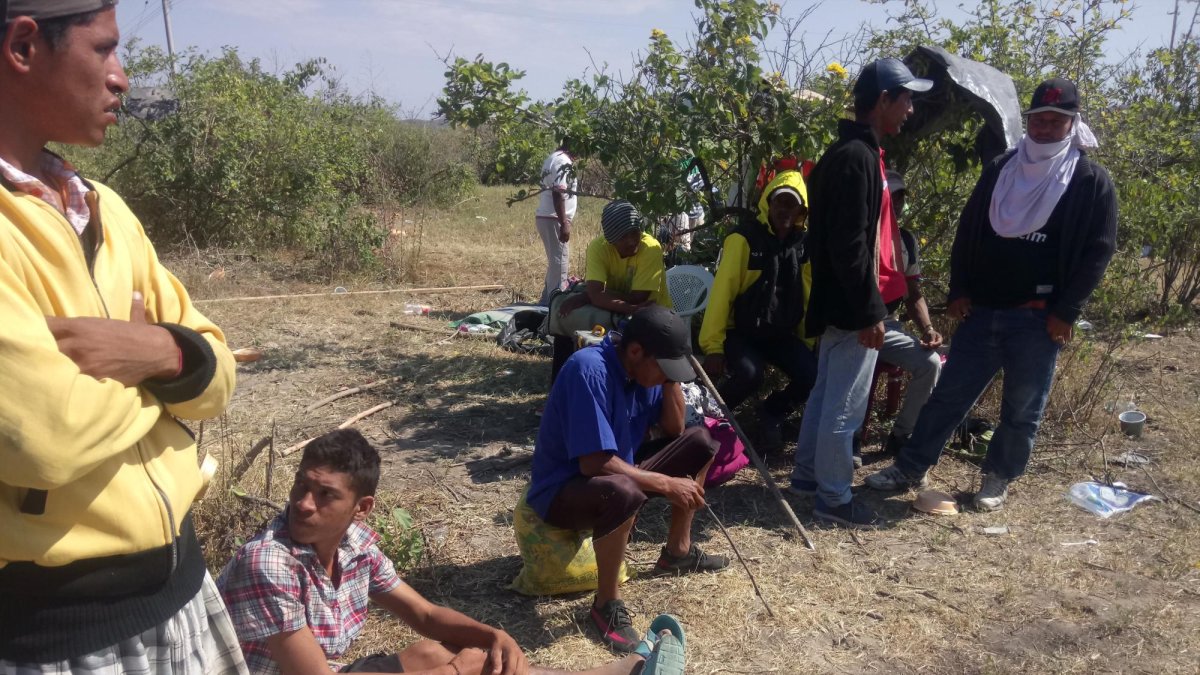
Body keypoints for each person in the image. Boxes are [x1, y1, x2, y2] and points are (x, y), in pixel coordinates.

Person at [0, 1, 242, 671]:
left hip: (183, 590)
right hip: (61, 634)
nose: (122, 77)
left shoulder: (106, 207)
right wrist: (168, 381)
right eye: (104, 49)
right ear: (24, 47)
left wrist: (160, 350)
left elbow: (220, 374)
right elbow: (43, 439)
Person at [218, 430, 684, 675]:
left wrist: (494, 635)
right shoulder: (270, 563)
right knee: (463, 666)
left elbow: (424, 614)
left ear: (362, 508)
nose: (303, 503)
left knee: (437, 651)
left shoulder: (354, 546)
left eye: (325, 495)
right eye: (302, 486)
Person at [864, 77, 1117, 511]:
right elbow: (970, 230)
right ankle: (910, 467)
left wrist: (1067, 311)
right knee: (948, 397)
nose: (1045, 128)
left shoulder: (1089, 181)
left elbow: (1099, 251)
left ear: (1072, 124)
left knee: (1022, 409)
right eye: (1038, 120)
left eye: (1056, 121)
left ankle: (997, 478)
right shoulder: (1003, 168)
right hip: (983, 311)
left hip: (1039, 320)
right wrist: (960, 288)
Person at [527, 306, 729, 652]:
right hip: (562, 491)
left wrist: (669, 378)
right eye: (663, 368)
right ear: (635, 351)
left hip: (616, 473)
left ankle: (677, 553)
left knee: (700, 441)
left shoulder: (643, 372)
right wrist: (666, 484)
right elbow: (594, 463)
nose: (665, 376)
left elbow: (675, 428)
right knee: (623, 489)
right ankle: (606, 603)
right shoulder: (588, 370)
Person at [788, 57, 932, 528]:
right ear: (883, 100)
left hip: (842, 300)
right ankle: (833, 497)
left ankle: (808, 476)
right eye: (906, 99)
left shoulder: (851, 152)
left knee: (827, 391)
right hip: (853, 305)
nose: (910, 109)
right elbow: (850, 246)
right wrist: (871, 312)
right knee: (845, 403)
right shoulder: (856, 158)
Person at [699, 169, 817, 450]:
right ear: (768, 202)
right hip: (742, 331)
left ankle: (771, 412)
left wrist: (808, 342)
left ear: (801, 210)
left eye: (792, 204)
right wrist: (713, 347)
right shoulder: (743, 239)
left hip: (780, 333)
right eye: (780, 201)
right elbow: (722, 293)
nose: (784, 209)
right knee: (750, 375)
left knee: (812, 375)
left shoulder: (803, 245)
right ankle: (707, 420)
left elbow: (807, 293)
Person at [852, 170, 943, 466]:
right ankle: (851, 437)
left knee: (930, 363)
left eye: (902, 198)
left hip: (889, 325)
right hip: (855, 324)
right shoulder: (859, 233)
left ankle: (902, 434)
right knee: (858, 364)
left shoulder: (905, 240)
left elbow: (913, 293)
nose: (899, 204)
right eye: (893, 197)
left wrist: (928, 328)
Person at [550, 200, 673, 383]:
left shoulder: (651, 248)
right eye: (624, 237)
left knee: (631, 352)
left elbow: (639, 297)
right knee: (567, 321)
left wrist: (592, 295)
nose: (632, 240)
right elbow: (600, 295)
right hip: (622, 311)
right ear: (610, 240)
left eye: (635, 232)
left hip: (653, 315)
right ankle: (559, 386)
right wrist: (595, 296)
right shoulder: (598, 248)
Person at [536, 139, 577, 306]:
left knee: (555, 264)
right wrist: (564, 223)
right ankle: (553, 306)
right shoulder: (563, 161)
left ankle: (545, 303)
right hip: (554, 218)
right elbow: (558, 192)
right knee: (560, 264)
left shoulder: (554, 157)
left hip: (548, 217)